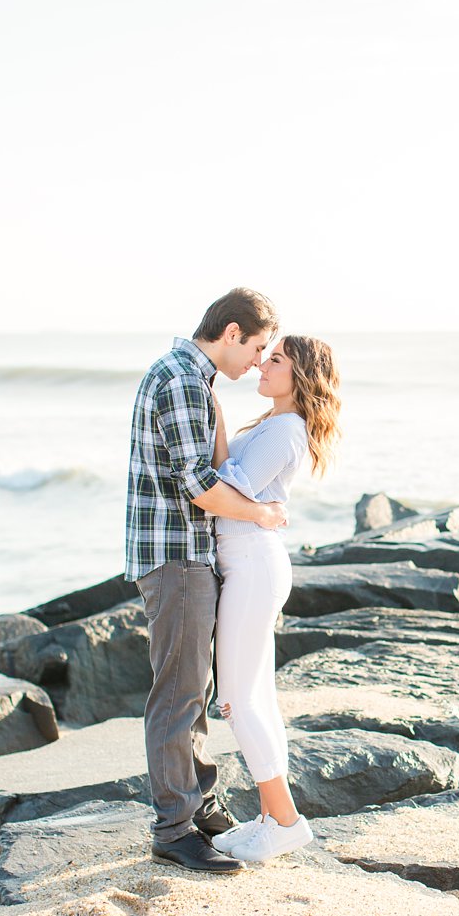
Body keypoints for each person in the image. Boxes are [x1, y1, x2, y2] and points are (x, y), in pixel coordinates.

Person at [124, 287, 288, 875]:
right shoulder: (184, 381)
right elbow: (200, 485)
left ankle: (197, 804)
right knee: (177, 695)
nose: (258, 362)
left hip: (182, 554)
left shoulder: (189, 377)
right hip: (175, 557)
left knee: (190, 687)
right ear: (233, 332)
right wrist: (264, 514)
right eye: (258, 347)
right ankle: (173, 829)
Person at [204, 335, 341, 862]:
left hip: (252, 564)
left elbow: (223, 490)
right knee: (257, 697)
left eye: (276, 359)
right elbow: (234, 486)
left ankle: (284, 819)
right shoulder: (276, 425)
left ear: (300, 376)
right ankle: (269, 819)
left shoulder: (284, 430)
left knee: (237, 701)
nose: (263, 363)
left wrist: (215, 416)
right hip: (250, 561)